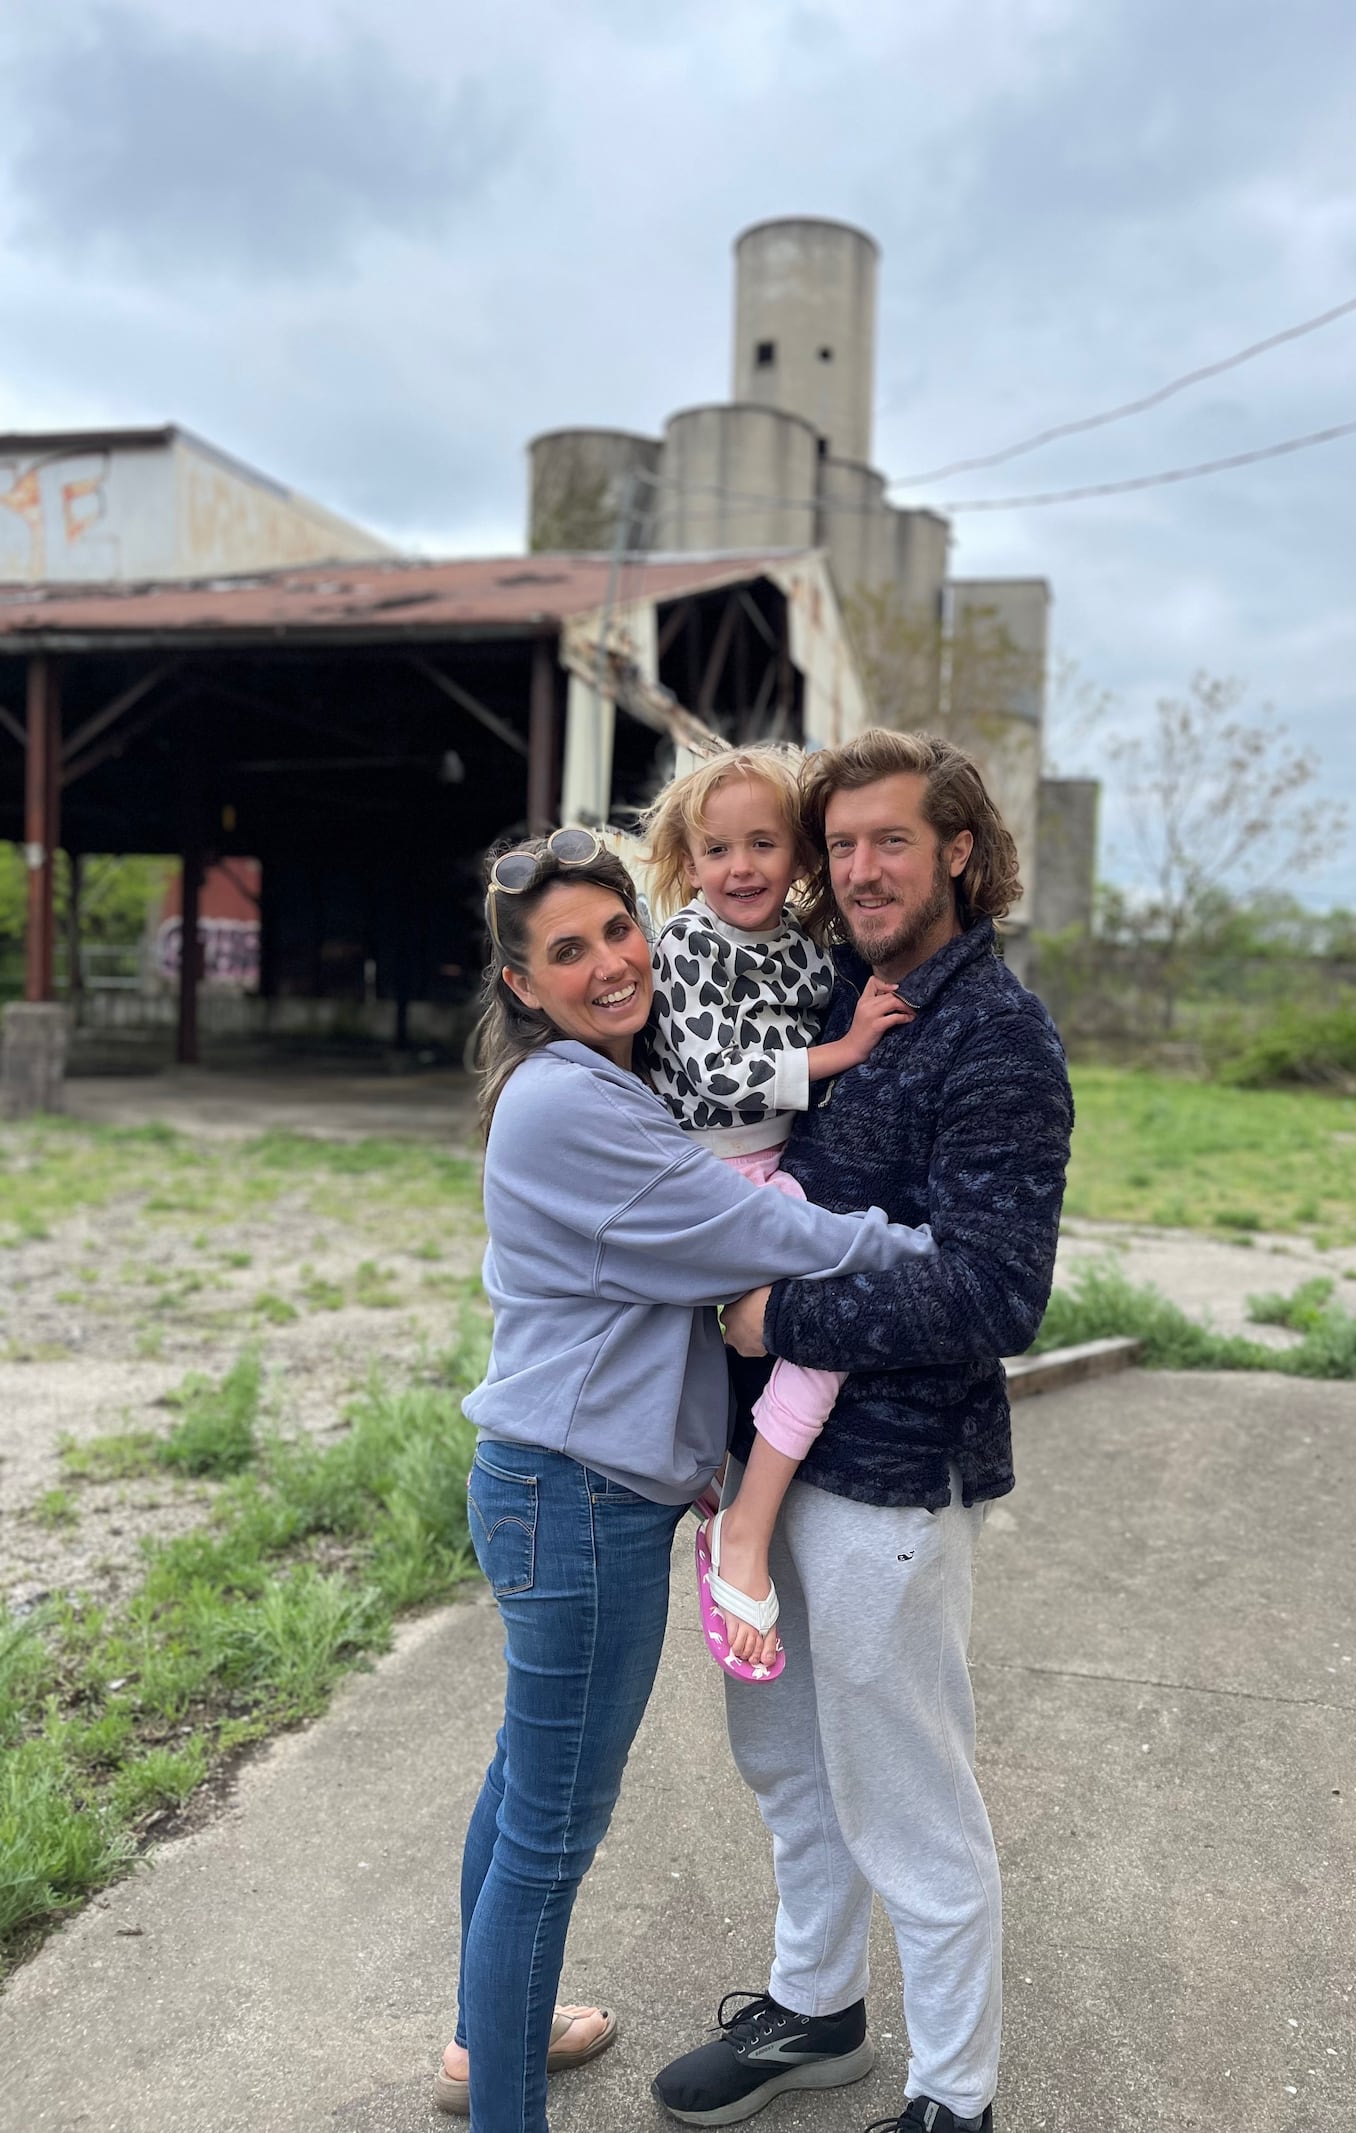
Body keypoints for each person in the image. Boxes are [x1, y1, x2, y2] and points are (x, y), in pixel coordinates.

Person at [441, 825, 937, 2133]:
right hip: (580, 1501)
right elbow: (757, 1229)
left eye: (618, 929)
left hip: (556, 1488)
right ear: (521, 986)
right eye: (568, 951)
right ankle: (502, 2108)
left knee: (521, 1792)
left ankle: (486, 2037)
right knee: (551, 1835)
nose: (610, 963)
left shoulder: (601, 1078)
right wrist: (919, 1247)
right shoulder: (572, 1102)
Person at [652, 732, 1074, 2133]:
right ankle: (816, 2009)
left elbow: (994, 1291)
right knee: (784, 1760)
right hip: (763, 1468)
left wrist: (776, 1324)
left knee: (906, 1793)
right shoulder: (840, 986)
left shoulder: (996, 1036)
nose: (858, 868)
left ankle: (957, 2097)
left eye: (889, 840)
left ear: (960, 848)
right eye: (840, 844)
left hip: (892, 1478)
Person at [640, 745, 913, 1677]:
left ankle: (738, 1507)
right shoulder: (687, 943)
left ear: (799, 857)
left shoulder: (801, 950)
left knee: (817, 1327)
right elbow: (721, 1073)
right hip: (709, 1176)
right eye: (717, 849)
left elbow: (819, 993)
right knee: (825, 1300)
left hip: (776, 1163)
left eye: (764, 844)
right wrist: (846, 1050)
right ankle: (735, 1514)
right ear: (688, 858)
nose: (741, 867)